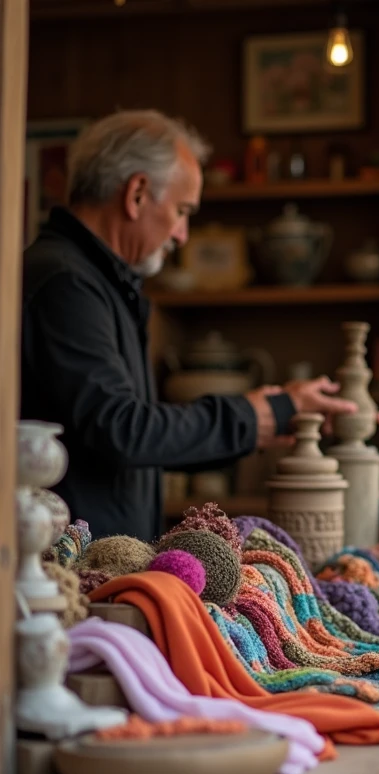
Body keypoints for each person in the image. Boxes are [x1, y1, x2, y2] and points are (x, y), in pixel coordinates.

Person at [21, 109, 359, 543]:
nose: (182, 234)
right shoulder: (65, 281)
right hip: (69, 576)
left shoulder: (99, 281)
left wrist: (268, 420)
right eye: (182, 211)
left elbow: (133, 439)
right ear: (137, 193)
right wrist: (259, 416)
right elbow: (122, 430)